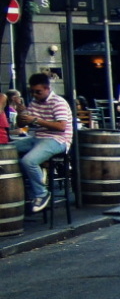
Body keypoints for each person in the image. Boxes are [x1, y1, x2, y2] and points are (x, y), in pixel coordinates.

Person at [13, 72, 72, 214]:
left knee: (28, 161)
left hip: (58, 140)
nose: (34, 95)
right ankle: (28, 185)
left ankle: (41, 193)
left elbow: (61, 126)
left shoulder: (58, 102)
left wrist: (35, 120)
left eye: (38, 92)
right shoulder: (34, 102)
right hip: (37, 138)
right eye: (32, 92)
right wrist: (21, 114)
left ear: (47, 88)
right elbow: (23, 125)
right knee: (6, 150)